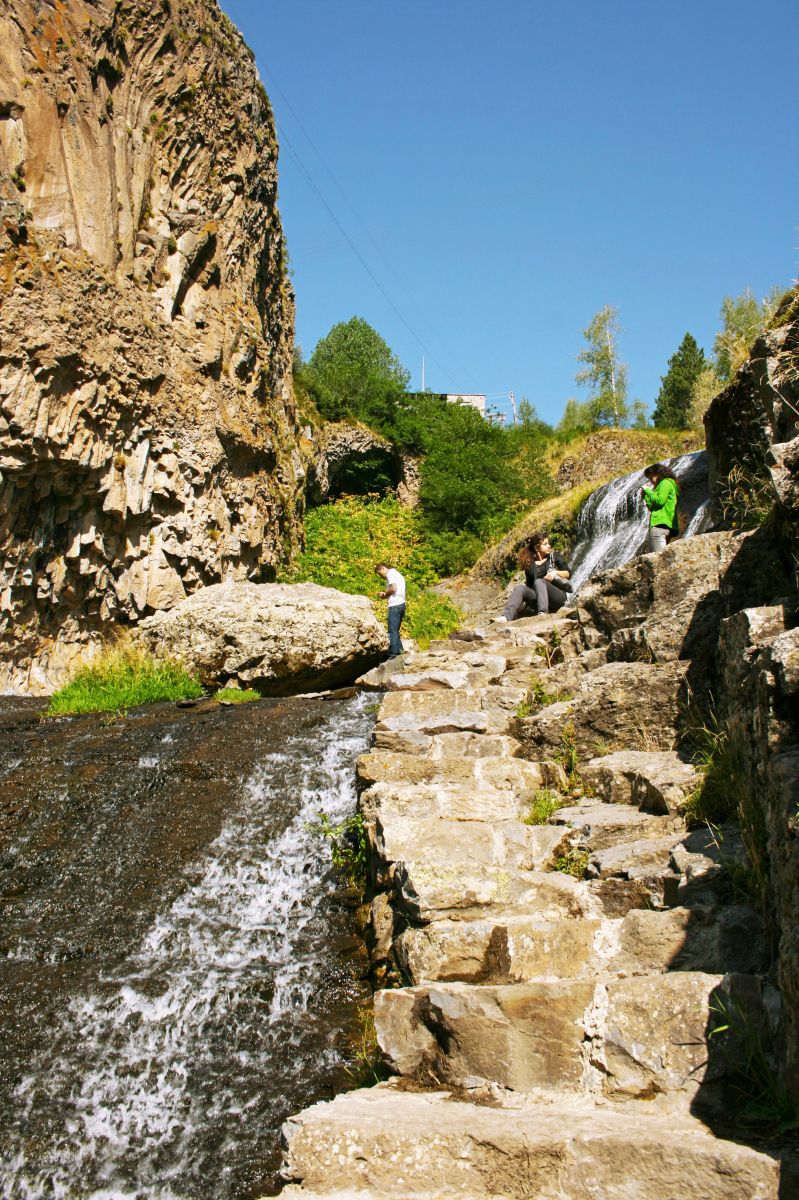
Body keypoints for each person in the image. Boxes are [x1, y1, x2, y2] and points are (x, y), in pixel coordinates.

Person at [493, 532, 571, 623]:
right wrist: (524, 607)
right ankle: (506, 617)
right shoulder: (531, 566)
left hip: (557, 597)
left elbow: (568, 573)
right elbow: (529, 587)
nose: (549, 546)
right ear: (536, 548)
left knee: (539, 582)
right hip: (539, 599)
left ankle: (543, 614)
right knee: (519, 588)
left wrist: (555, 572)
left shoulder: (554, 557)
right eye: (545, 544)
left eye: (548, 543)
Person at [641, 463, 680, 553]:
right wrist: (646, 496)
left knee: (659, 557)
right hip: (668, 526)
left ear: (658, 473)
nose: (651, 481)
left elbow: (659, 501)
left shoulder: (665, 483)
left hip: (659, 525)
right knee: (663, 555)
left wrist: (647, 490)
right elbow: (653, 507)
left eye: (651, 478)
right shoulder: (668, 484)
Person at [375, 562, 406, 658]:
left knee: (392, 631)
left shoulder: (390, 573)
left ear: (383, 568)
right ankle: (401, 653)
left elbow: (393, 589)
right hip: (402, 604)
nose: (381, 576)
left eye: (380, 573)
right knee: (395, 630)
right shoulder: (398, 574)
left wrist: (384, 594)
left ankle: (392, 654)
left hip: (395, 604)